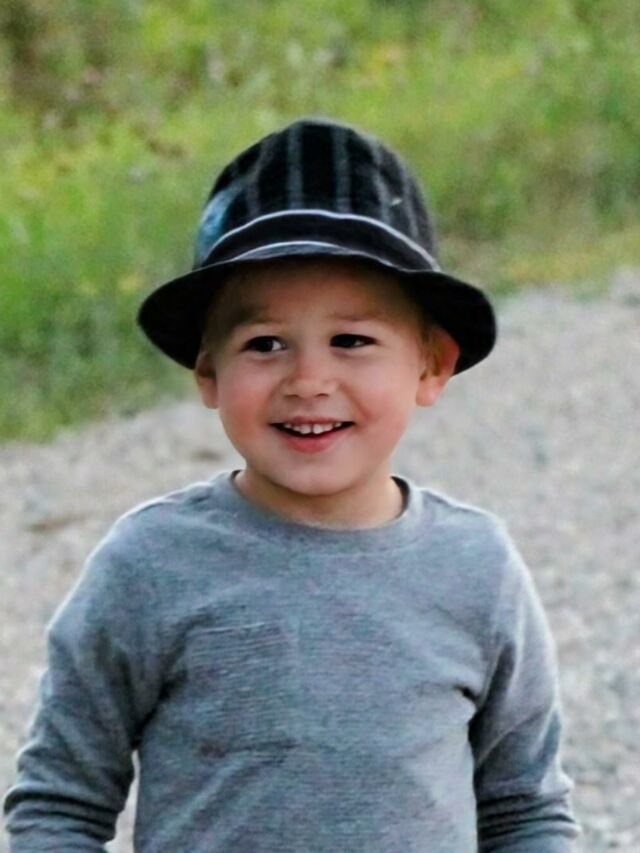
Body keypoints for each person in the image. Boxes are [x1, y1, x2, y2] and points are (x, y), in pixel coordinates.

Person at [4, 118, 579, 851]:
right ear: (208, 372)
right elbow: (59, 804)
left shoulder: (476, 569)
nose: (309, 380)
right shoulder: (150, 564)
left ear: (432, 365)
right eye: (265, 343)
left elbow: (525, 811)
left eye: (352, 340)